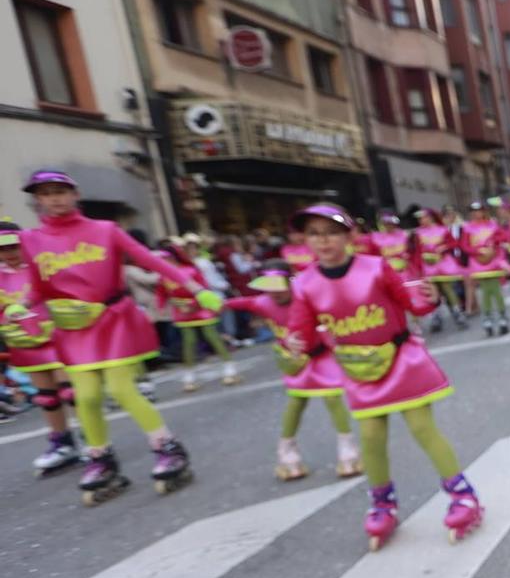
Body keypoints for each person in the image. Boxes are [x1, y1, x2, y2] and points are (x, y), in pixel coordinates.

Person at [10, 170, 219, 501]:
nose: (54, 198)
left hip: (113, 320)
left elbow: (149, 259)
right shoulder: (31, 240)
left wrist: (195, 288)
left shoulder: (105, 230)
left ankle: (167, 447)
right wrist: (20, 306)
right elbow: (38, 286)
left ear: (75, 194)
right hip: (73, 329)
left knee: (122, 389)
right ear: (37, 200)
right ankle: (100, 458)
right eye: (46, 193)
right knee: (87, 397)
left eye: (60, 191)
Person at [284, 203, 479, 549]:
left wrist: (428, 300)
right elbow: (303, 332)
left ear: (349, 236)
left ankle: (463, 496)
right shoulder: (304, 283)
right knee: (371, 437)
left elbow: (410, 302)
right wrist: (294, 342)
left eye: (331, 233)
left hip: (402, 361)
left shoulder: (375, 267)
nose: (323, 241)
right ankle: (383, 505)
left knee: (422, 428)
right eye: (314, 234)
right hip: (359, 371)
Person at [222, 268, 360, 480]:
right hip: (295, 360)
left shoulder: (307, 299)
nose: (275, 293)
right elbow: (239, 303)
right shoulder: (263, 303)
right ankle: (287, 453)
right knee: (296, 402)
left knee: (332, 397)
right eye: (270, 289)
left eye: (279, 287)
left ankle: (348, 449)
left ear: (290, 283)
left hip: (321, 356)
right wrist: (212, 302)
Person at [0, 216, 79, 475]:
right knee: (47, 397)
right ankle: (62, 442)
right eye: (1, 249)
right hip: (23, 343)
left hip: (56, 338)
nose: (9, 253)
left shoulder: (41, 266)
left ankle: (94, 439)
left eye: (13, 246)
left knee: (69, 391)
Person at [157, 237, 239, 392]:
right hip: (181, 312)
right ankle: (189, 376)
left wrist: (194, 305)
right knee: (188, 342)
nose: (164, 261)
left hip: (200, 309)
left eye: (166, 258)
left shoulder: (191, 270)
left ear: (174, 257)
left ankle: (230, 368)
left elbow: (204, 288)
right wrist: (161, 306)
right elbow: (161, 293)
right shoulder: (163, 276)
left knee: (212, 337)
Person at [413, 207, 467, 333]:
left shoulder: (442, 230)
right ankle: (436, 317)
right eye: (420, 219)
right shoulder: (418, 233)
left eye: (424, 217)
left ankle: (457, 313)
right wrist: (418, 266)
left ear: (431, 217)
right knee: (432, 292)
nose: (422, 220)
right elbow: (417, 251)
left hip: (443, 265)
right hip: (427, 266)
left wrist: (443, 248)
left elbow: (454, 244)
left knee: (448, 289)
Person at [462, 201, 510, 336]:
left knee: (495, 290)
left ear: (484, 212)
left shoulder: (493, 224)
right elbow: (465, 246)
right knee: (485, 292)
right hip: (478, 263)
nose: (476, 214)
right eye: (473, 211)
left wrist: (493, 244)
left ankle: (502, 316)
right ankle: (488, 318)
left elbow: (503, 236)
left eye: (479, 211)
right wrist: (478, 252)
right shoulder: (467, 228)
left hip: (494, 261)